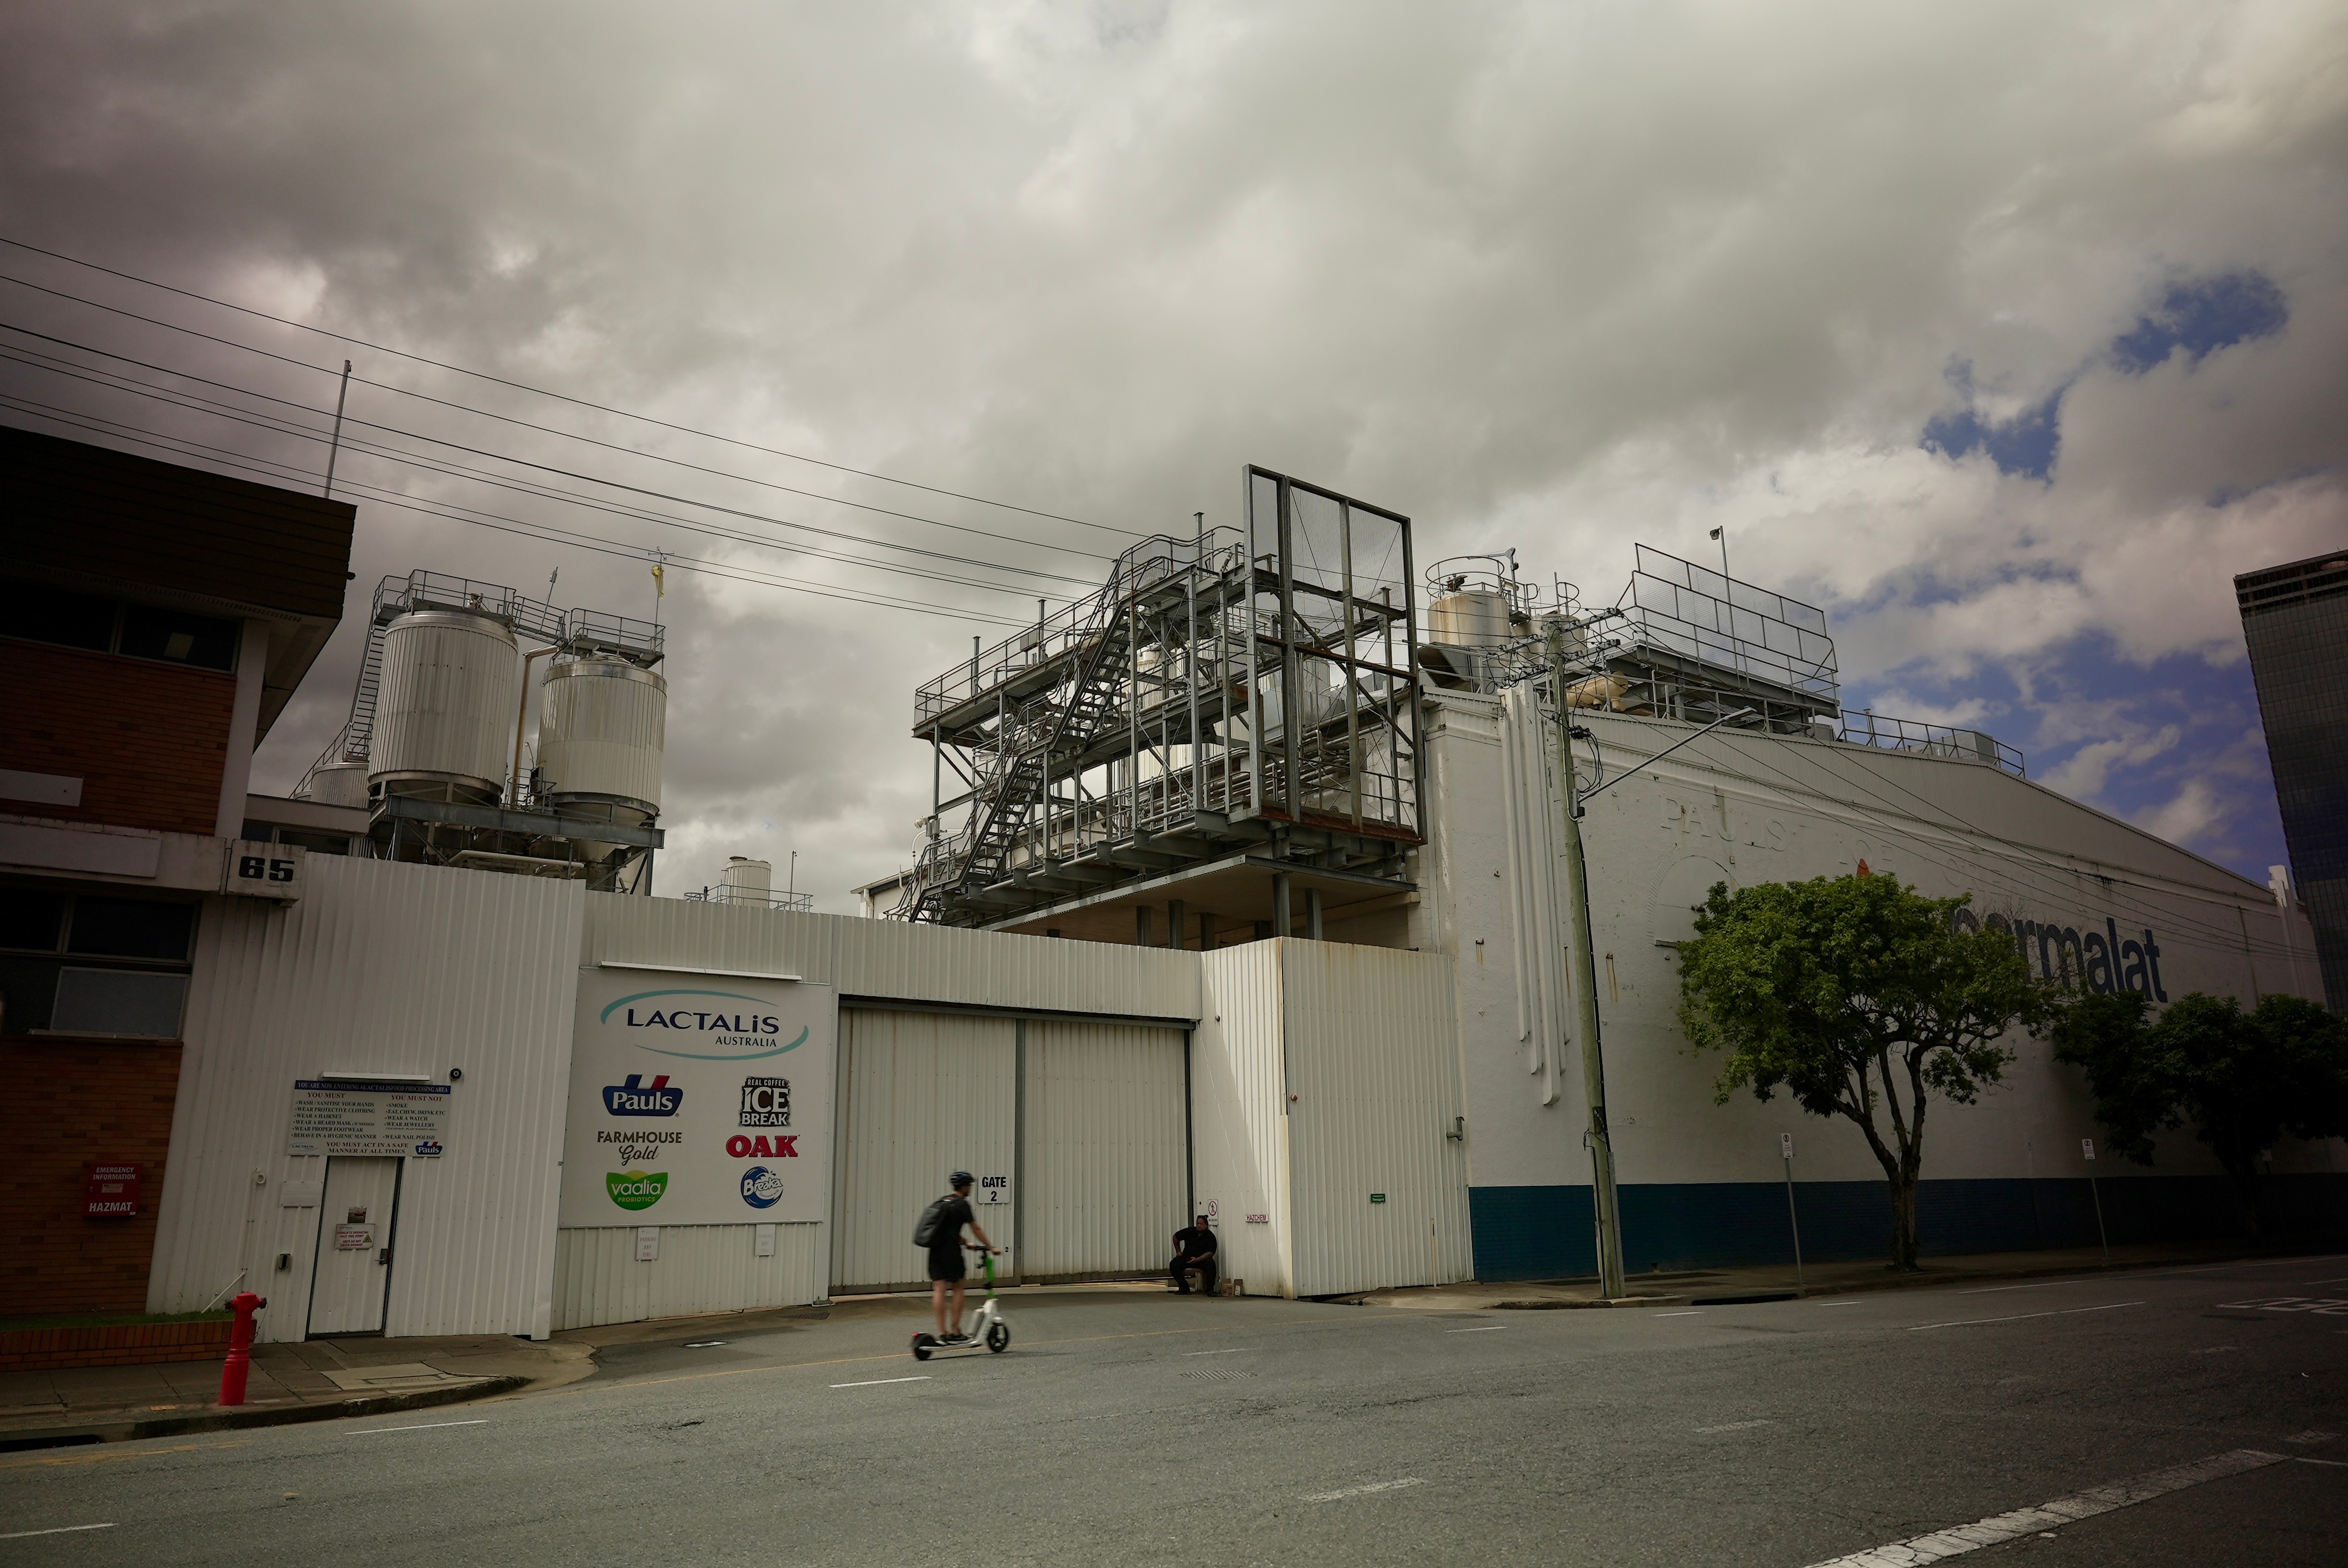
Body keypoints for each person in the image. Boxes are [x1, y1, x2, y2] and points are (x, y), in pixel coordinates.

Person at [924, 1170, 997, 1343]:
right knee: (957, 1288)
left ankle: (942, 1333)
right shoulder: (962, 1205)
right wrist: (990, 1247)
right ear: (964, 1187)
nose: (970, 1188)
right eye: (969, 1186)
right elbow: (976, 1229)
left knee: (939, 1289)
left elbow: (945, 1230)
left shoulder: (942, 1202)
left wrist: (965, 1242)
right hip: (951, 1252)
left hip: (935, 1251)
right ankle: (956, 1330)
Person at [1168, 1214, 1218, 1296]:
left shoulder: (1210, 1237)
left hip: (1201, 1260)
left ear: (1206, 1225)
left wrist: (1197, 1259)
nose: (1199, 1226)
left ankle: (1209, 1290)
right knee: (1174, 1264)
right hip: (1187, 1258)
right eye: (1198, 1224)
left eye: (1201, 1224)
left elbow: (1210, 1253)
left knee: (1211, 1264)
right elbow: (1176, 1237)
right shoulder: (1190, 1231)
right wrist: (1178, 1251)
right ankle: (1184, 1287)